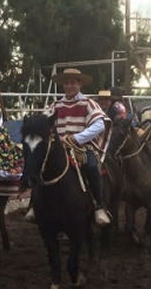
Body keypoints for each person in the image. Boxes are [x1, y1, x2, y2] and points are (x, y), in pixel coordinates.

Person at [27, 68, 111, 226]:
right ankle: (33, 205)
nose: (69, 86)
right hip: (58, 148)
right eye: (66, 83)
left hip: (82, 148)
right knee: (40, 166)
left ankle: (99, 206)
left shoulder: (88, 103)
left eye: (73, 82)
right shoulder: (56, 105)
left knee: (92, 166)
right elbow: (43, 121)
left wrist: (77, 138)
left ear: (80, 84)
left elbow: (100, 125)